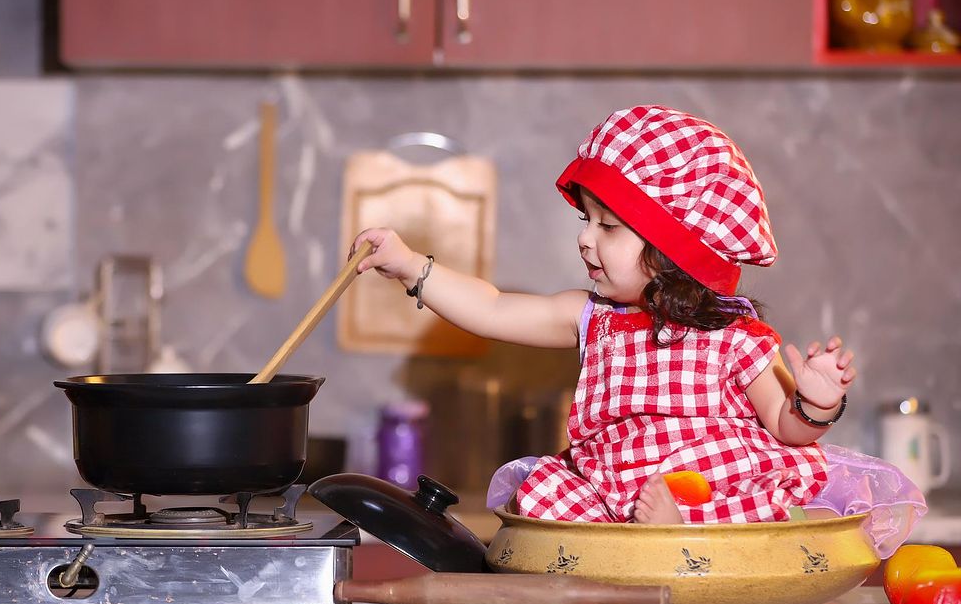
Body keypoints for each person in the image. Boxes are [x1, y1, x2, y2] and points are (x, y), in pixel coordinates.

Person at [352, 106, 921, 535]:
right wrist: (411, 266)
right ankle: (642, 541)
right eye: (585, 220)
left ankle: (682, 527)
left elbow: (786, 427)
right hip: (614, 502)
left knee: (774, 498)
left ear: (674, 247)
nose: (584, 239)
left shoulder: (735, 338)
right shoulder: (590, 318)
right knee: (544, 495)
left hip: (708, 493)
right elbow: (493, 308)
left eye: (608, 226)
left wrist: (817, 403)